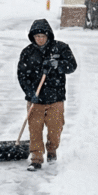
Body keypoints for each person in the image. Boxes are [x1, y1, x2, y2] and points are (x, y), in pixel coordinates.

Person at [17, 19, 77, 171]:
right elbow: (22, 75)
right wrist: (30, 93)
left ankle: (52, 149)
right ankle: (36, 158)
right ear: (32, 37)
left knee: (55, 128)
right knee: (35, 129)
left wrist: (58, 66)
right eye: (37, 36)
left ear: (48, 35)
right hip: (35, 99)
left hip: (55, 97)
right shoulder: (27, 52)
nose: (40, 39)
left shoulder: (60, 48)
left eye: (42, 36)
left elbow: (72, 66)